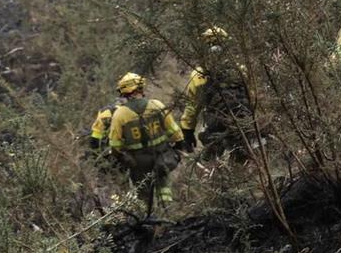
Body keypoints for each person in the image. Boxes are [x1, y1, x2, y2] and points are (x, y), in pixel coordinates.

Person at [104, 71, 185, 217]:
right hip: (161, 157)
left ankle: (147, 221)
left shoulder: (120, 114)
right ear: (141, 88)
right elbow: (174, 131)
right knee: (164, 186)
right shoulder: (156, 105)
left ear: (123, 92)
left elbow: (115, 145)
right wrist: (178, 146)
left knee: (143, 196)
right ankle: (169, 215)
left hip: (138, 163)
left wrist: (121, 158)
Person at [178, 26, 252, 160]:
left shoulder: (198, 74)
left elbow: (192, 106)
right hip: (244, 120)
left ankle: (214, 167)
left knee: (210, 159)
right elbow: (252, 96)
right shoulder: (241, 69)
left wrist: (187, 131)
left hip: (217, 125)